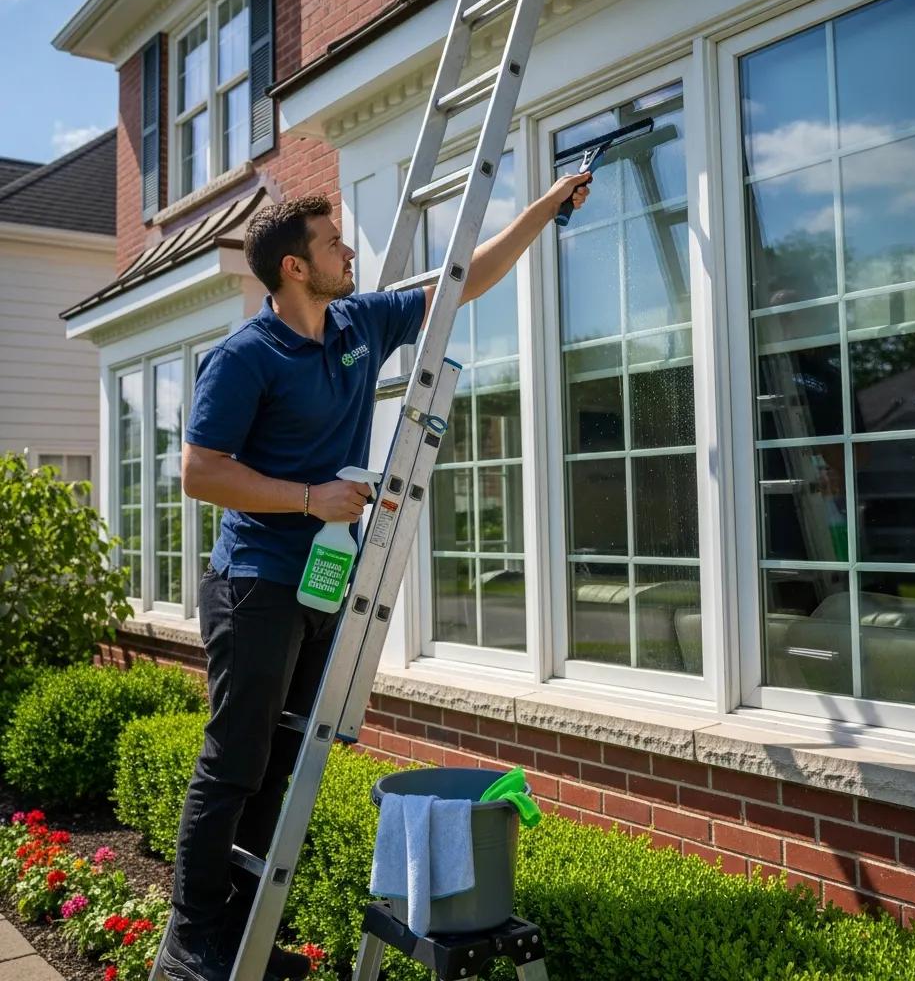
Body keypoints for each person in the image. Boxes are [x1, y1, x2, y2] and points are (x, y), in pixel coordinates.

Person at [158, 170, 592, 981]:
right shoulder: (244, 358)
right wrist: (308, 498)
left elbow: (468, 279)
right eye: (331, 242)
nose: (346, 250)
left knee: (281, 765)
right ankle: (193, 935)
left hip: (325, 584)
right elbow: (200, 473)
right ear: (294, 266)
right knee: (235, 760)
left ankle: (245, 937)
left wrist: (544, 206)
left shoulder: (358, 323)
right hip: (255, 583)